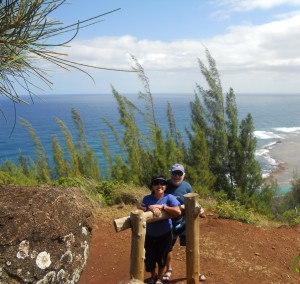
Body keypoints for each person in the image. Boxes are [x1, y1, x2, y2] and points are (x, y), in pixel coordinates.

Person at [162, 163, 206, 282]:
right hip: (168, 223)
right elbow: (156, 198)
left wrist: (199, 208)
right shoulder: (163, 185)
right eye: (174, 173)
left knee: (191, 246)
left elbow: (192, 201)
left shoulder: (187, 186)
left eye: (179, 173)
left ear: (184, 175)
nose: (176, 176)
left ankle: (196, 270)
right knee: (168, 248)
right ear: (170, 173)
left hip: (185, 223)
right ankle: (168, 270)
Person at [141, 174, 181, 284]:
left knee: (162, 258)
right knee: (150, 257)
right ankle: (153, 275)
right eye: (156, 183)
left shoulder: (169, 198)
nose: (159, 185)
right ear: (152, 186)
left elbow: (178, 211)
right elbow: (141, 207)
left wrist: (162, 207)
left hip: (165, 233)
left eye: (162, 183)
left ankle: (159, 277)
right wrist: (150, 207)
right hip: (149, 234)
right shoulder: (147, 198)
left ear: (165, 186)